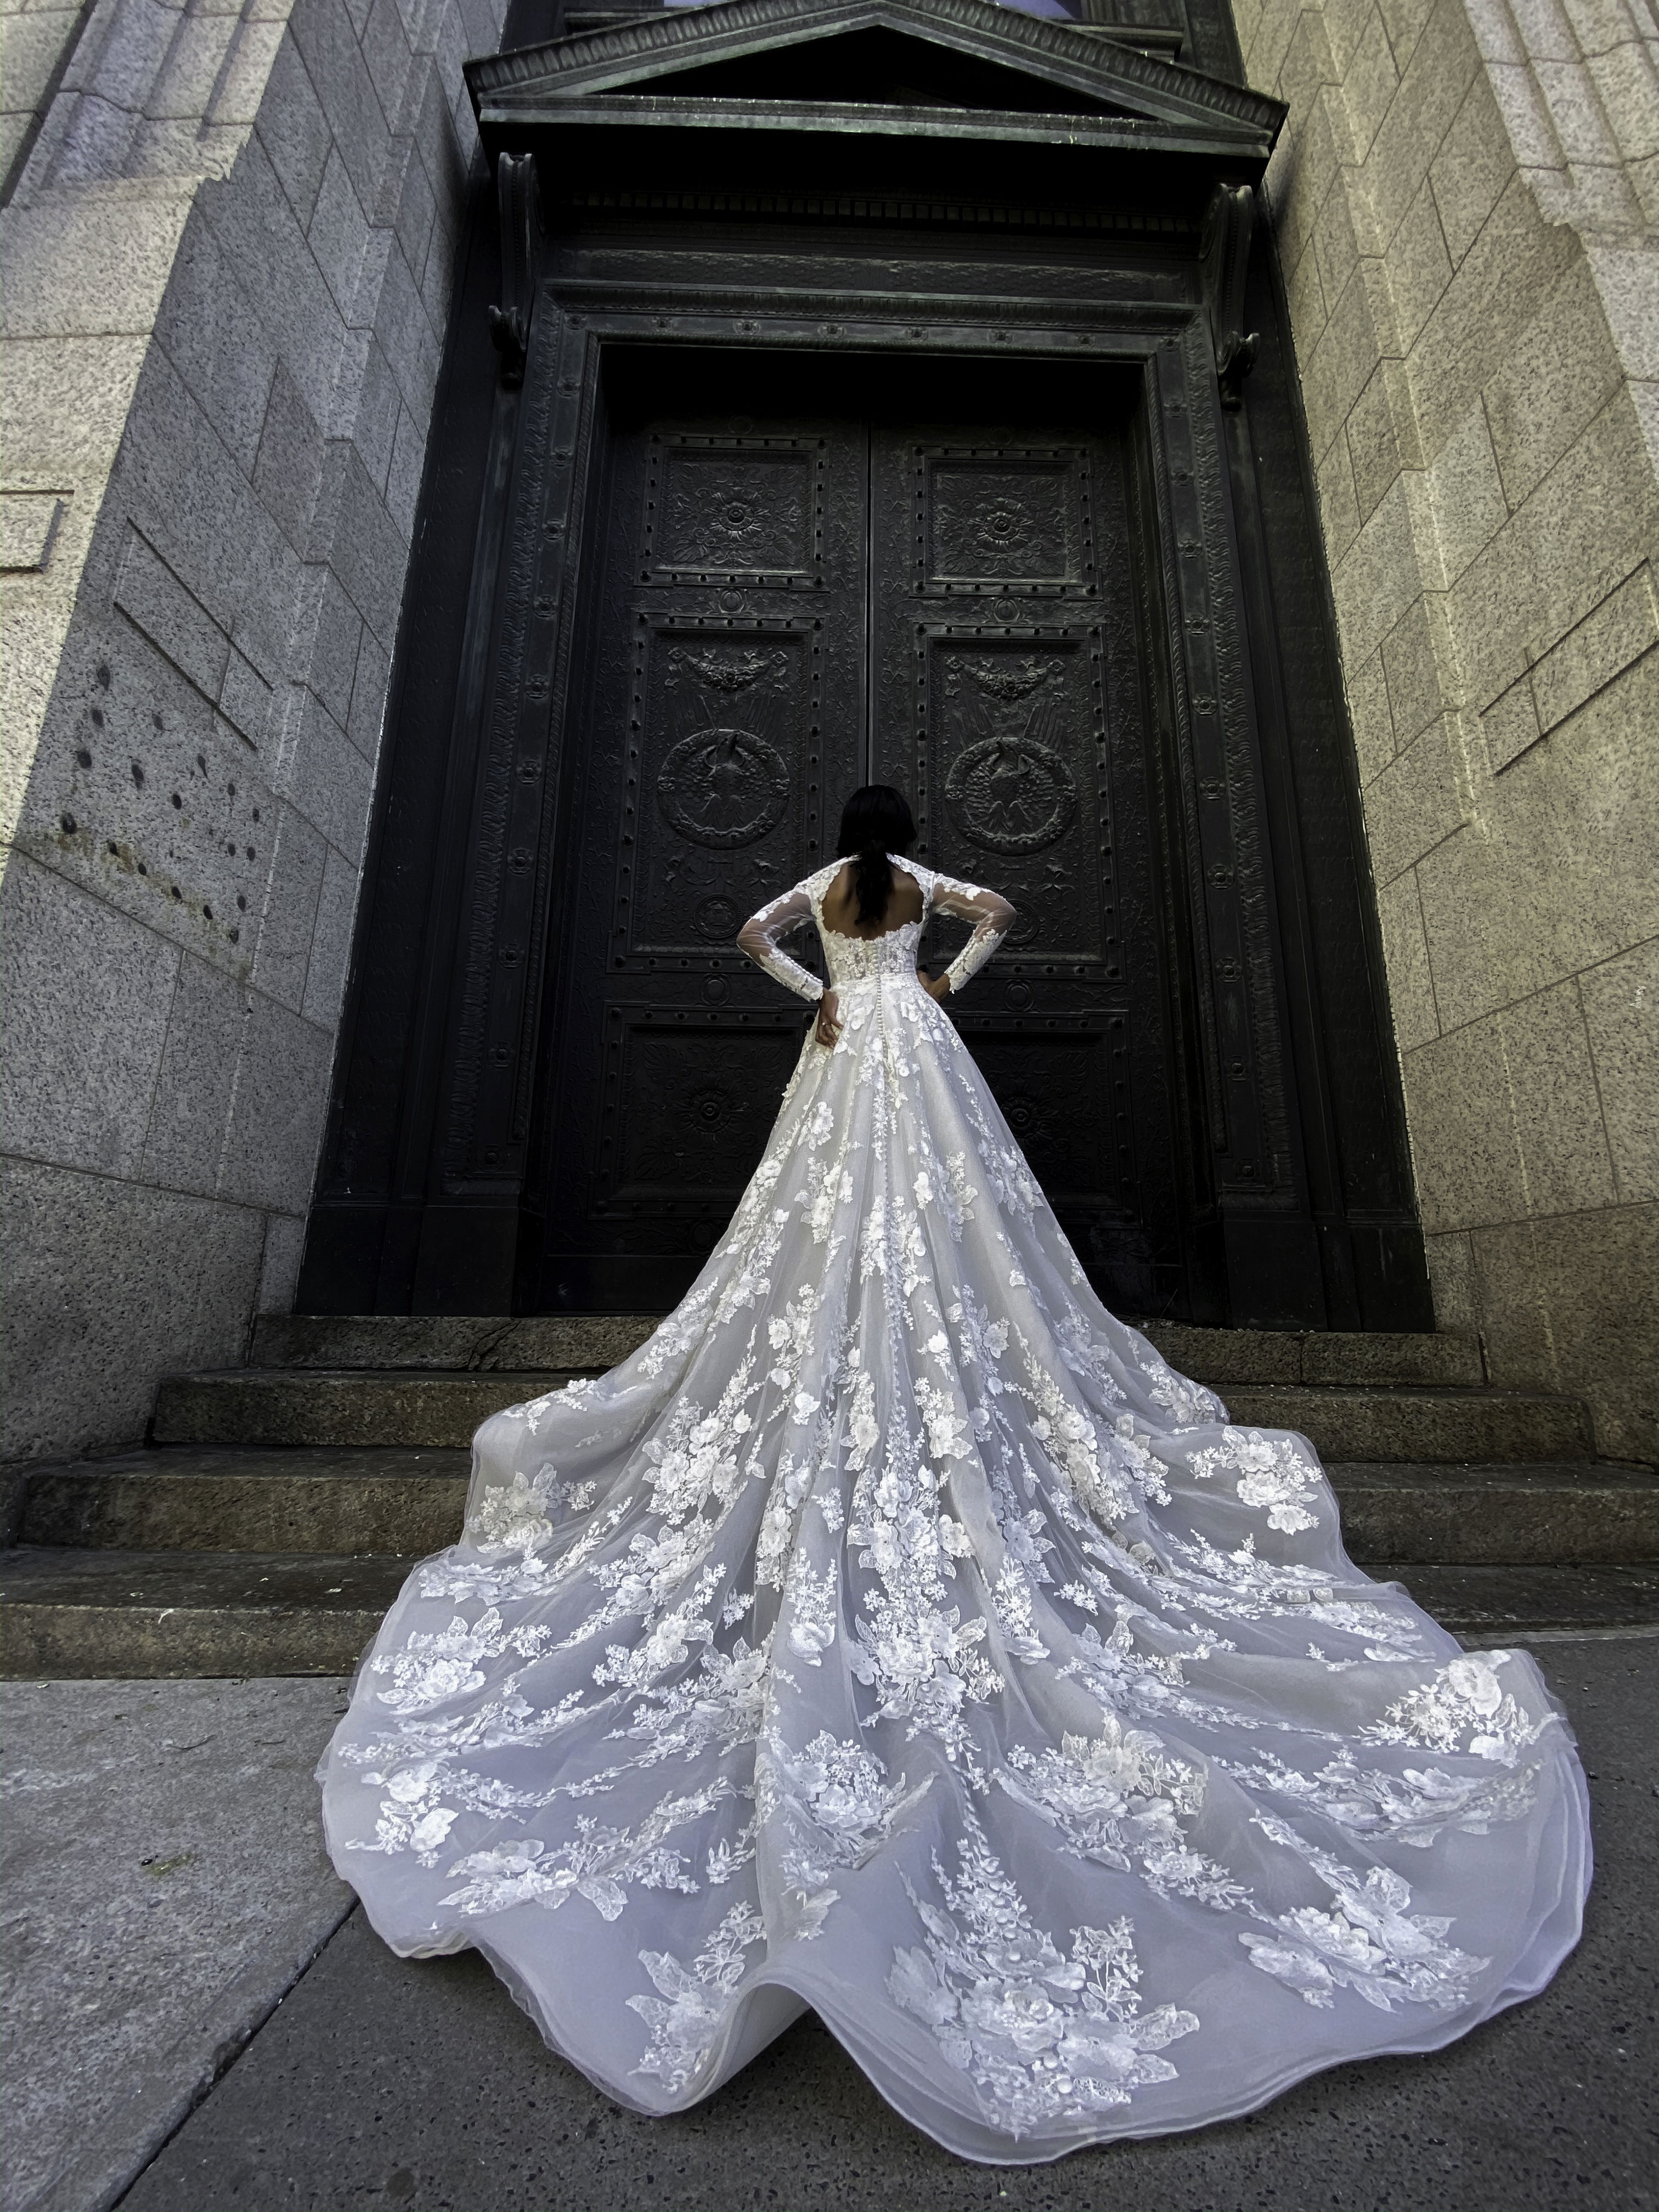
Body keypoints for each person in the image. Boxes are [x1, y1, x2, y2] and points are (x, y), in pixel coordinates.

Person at [318, 783, 1590, 2165]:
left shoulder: (825, 886)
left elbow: (747, 933)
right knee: (956, 1216)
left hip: (845, 1042)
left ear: (841, 838)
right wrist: (941, 978)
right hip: (914, 1040)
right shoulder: (917, 886)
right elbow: (1008, 910)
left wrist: (818, 987)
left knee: (816, 1223)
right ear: (905, 830)